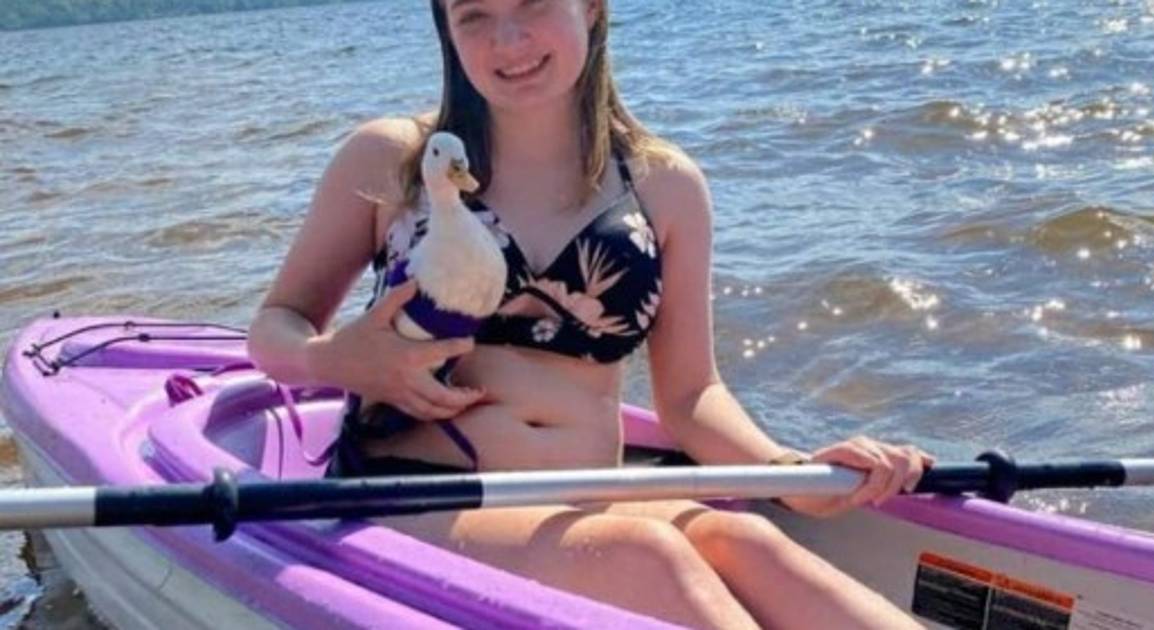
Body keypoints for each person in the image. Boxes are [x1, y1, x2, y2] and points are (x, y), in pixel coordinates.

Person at [248, 1, 931, 627]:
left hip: (589, 496)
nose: (507, 40)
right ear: (445, 27)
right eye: (473, 15)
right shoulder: (392, 160)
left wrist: (791, 473)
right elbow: (277, 324)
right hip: (415, 494)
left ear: (593, 7)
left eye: (533, 4)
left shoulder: (665, 185)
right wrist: (329, 357)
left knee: (749, 540)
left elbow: (691, 396)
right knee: (648, 558)